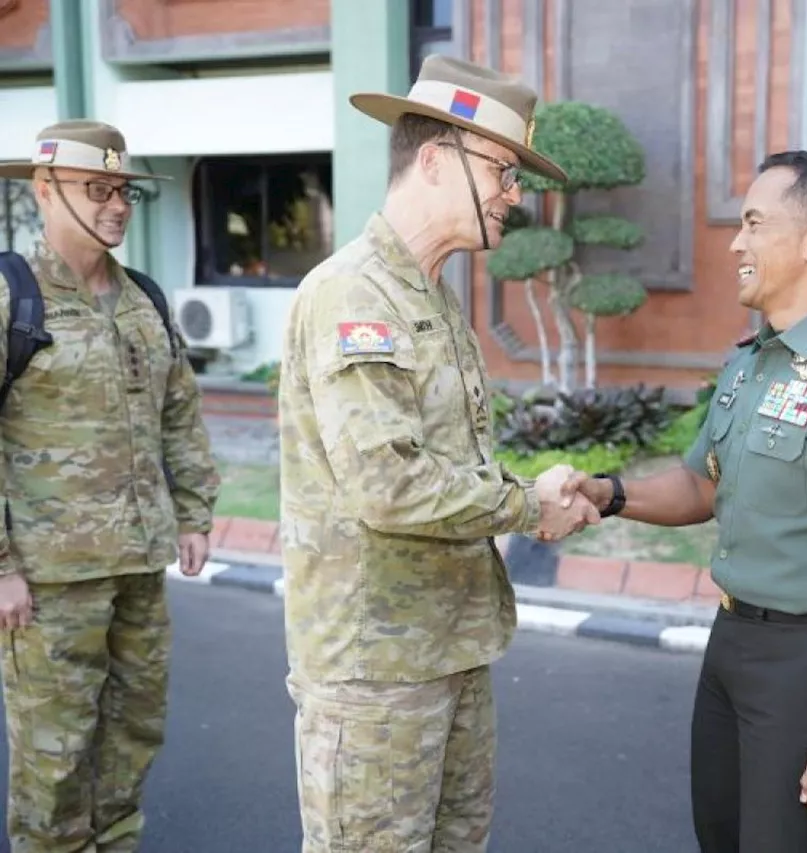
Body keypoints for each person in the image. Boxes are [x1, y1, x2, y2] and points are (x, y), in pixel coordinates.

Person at [562, 151, 807, 852]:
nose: (735, 242)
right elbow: (702, 485)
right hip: (730, 644)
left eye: (753, 223)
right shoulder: (749, 362)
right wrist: (608, 492)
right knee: (721, 837)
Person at [277, 55, 598, 853]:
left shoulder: (430, 294)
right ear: (431, 158)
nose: (513, 195)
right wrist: (529, 503)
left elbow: (449, 461)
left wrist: (527, 496)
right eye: (502, 170)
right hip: (376, 672)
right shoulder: (354, 293)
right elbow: (388, 484)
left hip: (447, 647)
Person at [0, 120, 220, 851]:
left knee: (132, 736)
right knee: (55, 757)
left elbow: (179, 412)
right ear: (45, 190)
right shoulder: (12, 297)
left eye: (124, 190)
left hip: (137, 564)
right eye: (99, 189)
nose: (118, 205)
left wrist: (193, 512)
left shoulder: (144, 299)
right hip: (49, 579)